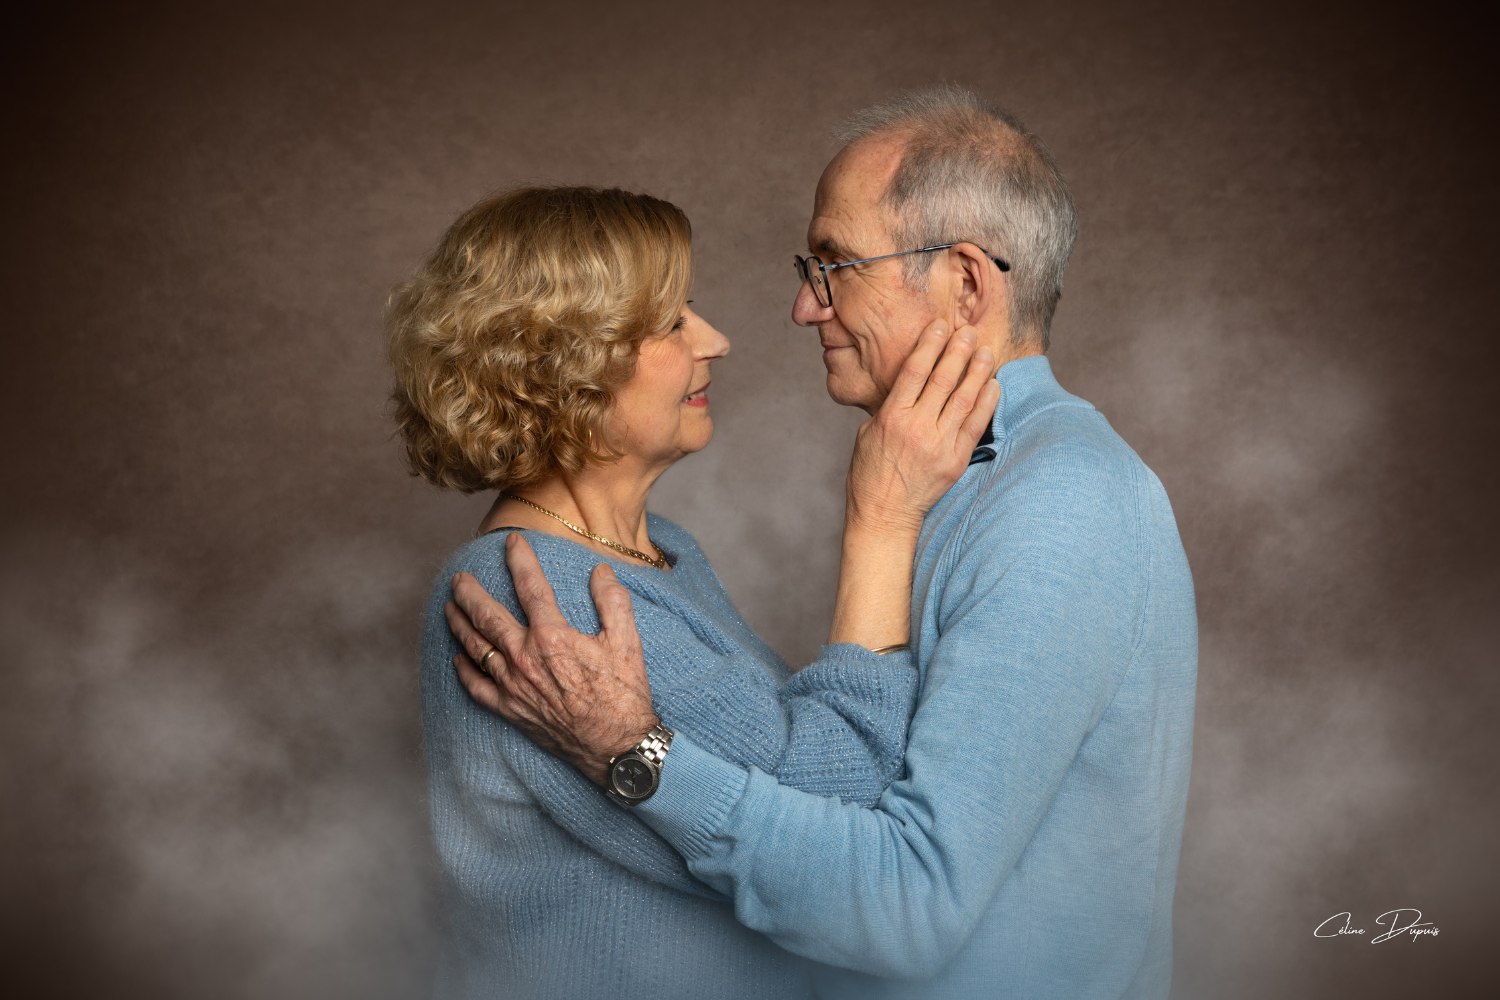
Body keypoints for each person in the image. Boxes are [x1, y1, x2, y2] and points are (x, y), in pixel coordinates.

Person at [447, 86, 1199, 999]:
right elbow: (827, 792)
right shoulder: (950, 482)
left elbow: (901, 901)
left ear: (965, 283)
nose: (804, 308)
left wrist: (632, 754)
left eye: (835, 265)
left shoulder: (1057, 502)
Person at [388, 184, 999, 999]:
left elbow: (774, 783)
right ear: (563, 360)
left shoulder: (659, 550)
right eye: (672, 321)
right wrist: (881, 521)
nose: (716, 340)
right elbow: (845, 813)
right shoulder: (530, 593)